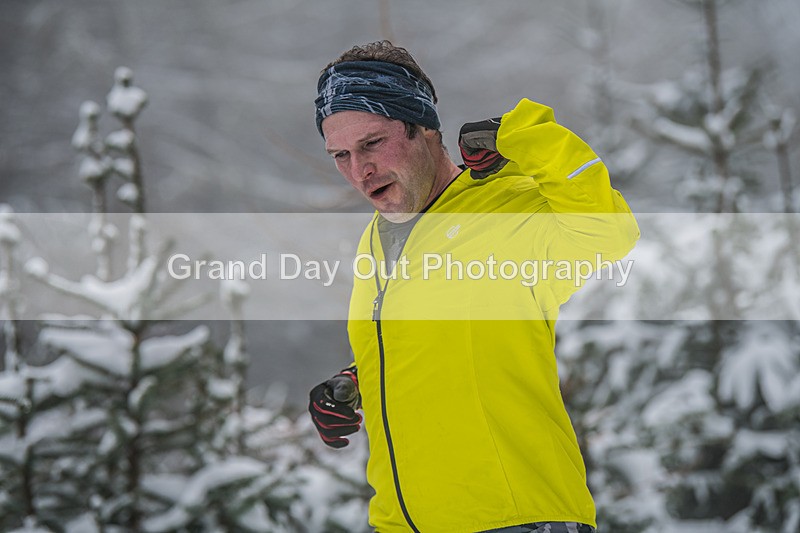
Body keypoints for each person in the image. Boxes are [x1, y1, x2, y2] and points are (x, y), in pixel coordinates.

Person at [308, 40, 639, 533]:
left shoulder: (506, 209)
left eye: (372, 143)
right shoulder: (376, 240)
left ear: (423, 128)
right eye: (341, 155)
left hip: (516, 519)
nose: (359, 171)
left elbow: (609, 234)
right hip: (399, 524)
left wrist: (520, 139)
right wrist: (361, 379)